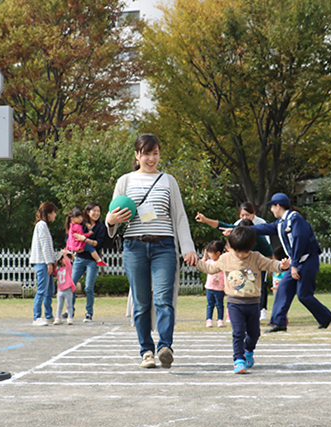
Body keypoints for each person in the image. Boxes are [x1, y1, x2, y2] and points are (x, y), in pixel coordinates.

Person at [106, 133, 197, 369]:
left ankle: (165, 346)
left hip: (164, 246)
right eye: (146, 153)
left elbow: (179, 216)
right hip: (134, 246)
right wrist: (110, 219)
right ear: (137, 155)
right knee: (142, 302)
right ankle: (146, 351)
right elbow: (112, 215)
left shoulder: (169, 181)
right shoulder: (125, 181)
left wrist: (188, 248)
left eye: (155, 153)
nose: (151, 158)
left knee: (164, 299)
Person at [195, 226, 290, 373]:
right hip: (234, 303)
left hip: (253, 304)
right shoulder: (225, 259)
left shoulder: (256, 257)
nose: (240, 255)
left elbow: (271, 264)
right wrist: (196, 262)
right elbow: (210, 269)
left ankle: (248, 352)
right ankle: (238, 360)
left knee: (254, 334)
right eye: (237, 251)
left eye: (244, 251)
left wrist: (281, 266)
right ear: (230, 247)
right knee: (238, 332)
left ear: (251, 247)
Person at [250, 192, 331, 332]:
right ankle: (279, 323)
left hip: (307, 260)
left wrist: (294, 265)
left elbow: (299, 242)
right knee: (283, 288)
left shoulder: (296, 219)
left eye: (272, 207)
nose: (271, 210)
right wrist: (242, 229)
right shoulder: (282, 222)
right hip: (298, 262)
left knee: (304, 295)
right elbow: (264, 228)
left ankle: (326, 316)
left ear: (278, 206)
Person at [195, 210, 272, 321]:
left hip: (253, 266)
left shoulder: (260, 239)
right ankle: (234, 314)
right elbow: (221, 225)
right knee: (237, 289)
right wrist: (206, 220)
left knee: (254, 288)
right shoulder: (235, 234)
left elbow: (269, 255)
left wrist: (262, 267)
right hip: (238, 267)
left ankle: (259, 311)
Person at [70, 202, 107, 323]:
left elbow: (99, 244)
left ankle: (89, 313)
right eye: (94, 211)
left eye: (98, 211)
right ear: (87, 212)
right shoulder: (81, 224)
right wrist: (76, 247)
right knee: (72, 285)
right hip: (79, 258)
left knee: (88, 288)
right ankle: (70, 311)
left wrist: (85, 240)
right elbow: (71, 236)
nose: (96, 213)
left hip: (92, 261)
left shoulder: (101, 227)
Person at [30, 201, 58, 326]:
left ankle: (48, 315)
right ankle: (37, 317)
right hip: (42, 262)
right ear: (48, 213)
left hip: (45, 261)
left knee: (50, 290)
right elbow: (44, 245)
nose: (55, 215)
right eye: (54, 213)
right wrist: (49, 262)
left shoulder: (44, 226)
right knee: (42, 290)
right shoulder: (41, 225)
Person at [202, 240, 226, 328]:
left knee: (220, 305)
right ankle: (209, 319)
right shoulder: (209, 261)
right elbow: (202, 266)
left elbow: (226, 275)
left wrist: (226, 286)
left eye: (211, 252)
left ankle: (220, 319)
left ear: (218, 253)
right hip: (209, 287)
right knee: (210, 305)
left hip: (219, 288)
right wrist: (204, 257)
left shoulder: (223, 263)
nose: (209, 254)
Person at [54, 250, 76, 325]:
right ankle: (58, 318)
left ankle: (70, 318)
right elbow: (54, 271)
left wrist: (65, 256)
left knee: (69, 305)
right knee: (59, 305)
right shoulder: (59, 269)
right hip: (60, 290)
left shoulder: (68, 268)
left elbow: (68, 264)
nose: (67, 260)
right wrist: (55, 262)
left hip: (67, 290)